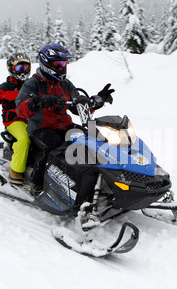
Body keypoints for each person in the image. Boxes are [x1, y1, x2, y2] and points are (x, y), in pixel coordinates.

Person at [16, 43, 115, 195]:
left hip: (64, 126)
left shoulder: (65, 84)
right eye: (58, 64)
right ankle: (37, 184)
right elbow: (20, 109)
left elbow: (77, 107)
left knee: (94, 139)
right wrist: (35, 102)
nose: (62, 67)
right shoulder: (32, 84)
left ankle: (99, 179)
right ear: (46, 63)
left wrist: (98, 100)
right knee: (54, 147)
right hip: (41, 129)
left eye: (64, 63)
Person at [0, 53, 32, 185]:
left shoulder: (32, 85)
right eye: (19, 68)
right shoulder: (6, 88)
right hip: (15, 122)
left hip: (33, 120)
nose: (23, 72)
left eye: (25, 68)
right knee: (24, 139)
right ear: (11, 69)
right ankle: (16, 172)